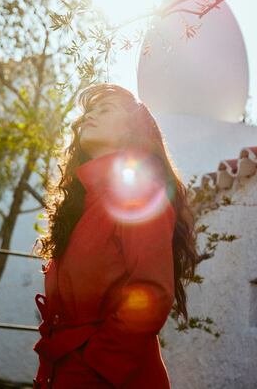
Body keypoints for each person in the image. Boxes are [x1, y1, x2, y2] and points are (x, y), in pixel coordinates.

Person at [32, 83, 198, 388]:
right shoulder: (76, 208)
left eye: (104, 109)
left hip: (111, 378)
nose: (88, 117)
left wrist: (95, 363)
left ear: (131, 130)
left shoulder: (139, 192)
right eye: (88, 112)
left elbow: (153, 293)